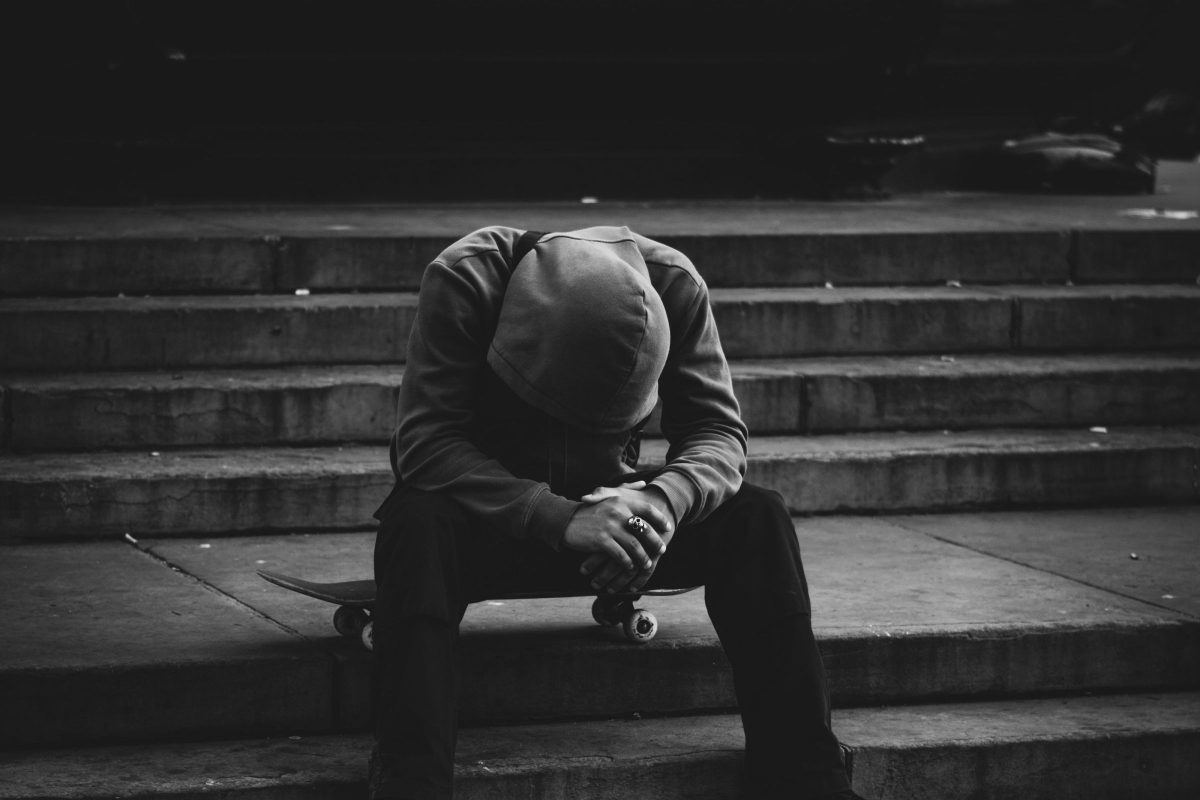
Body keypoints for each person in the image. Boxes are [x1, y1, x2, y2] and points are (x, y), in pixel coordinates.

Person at [370, 225, 864, 800]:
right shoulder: (466, 277)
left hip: (615, 516)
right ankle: (413, 784)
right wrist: (558, 517)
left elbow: (717, 431)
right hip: (490, 520)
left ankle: (807, 780)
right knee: (416, 521)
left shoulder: (675, 284)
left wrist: (658, 504)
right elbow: (425, 442)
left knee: (758, 515)